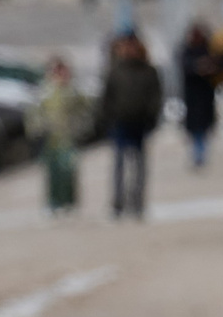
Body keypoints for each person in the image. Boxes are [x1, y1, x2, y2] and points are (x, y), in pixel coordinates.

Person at [100, 31, 163, 219]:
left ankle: (137, 203)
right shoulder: (115, 70)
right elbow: (106, 98)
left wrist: (152, 118)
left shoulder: (148, 70)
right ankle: (118, 202)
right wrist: (107, 118)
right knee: (119, 164)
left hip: (141, 123)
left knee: (139, 165)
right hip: (120, 122)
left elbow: (155, 97)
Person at [30, 55, 89, 216]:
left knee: (68, 171)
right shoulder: (44, 92)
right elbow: (34, 113)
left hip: (68, 137)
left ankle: (69, 202)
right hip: (50, 138)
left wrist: (80, 127)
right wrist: (38, 129)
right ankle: (53, 202)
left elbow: (85, 111)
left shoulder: (72, 92)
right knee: (53, 173)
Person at [179, 22, 222, 170]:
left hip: (205, 97)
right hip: (192, 97)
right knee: (195, 130)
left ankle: (201, 156)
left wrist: (208, 68)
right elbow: (186, 67)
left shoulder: (208, 50)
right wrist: (198, 67)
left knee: (203, 129)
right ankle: (197, 156)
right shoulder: (187, 51)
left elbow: (218, 66)